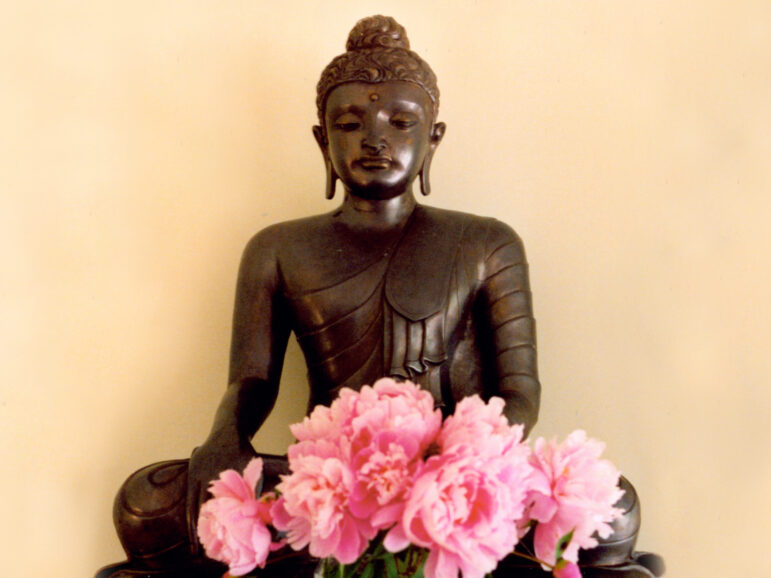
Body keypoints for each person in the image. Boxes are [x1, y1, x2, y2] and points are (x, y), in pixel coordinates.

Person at [99, 16, 661, 578]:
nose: (375, 138)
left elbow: (520, 391)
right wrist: (224, 441)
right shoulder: (276, 248)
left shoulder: (487, 243)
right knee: (145, 505)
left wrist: (457, 464)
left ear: (433, 138)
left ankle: (429, 537)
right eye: (349, 122)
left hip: (455, 484)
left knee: (614, 509)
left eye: (401, 121)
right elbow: (250, 381)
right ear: (323, 139)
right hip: (330, 491)